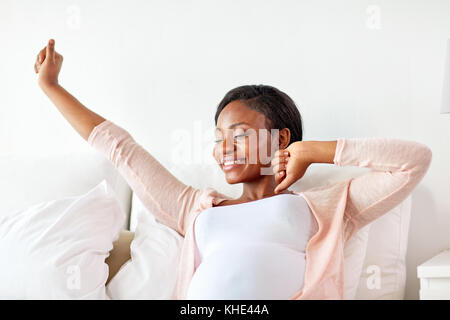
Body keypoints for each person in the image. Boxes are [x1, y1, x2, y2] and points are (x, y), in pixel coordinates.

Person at [34, 39, 432, 300]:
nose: (223, 149)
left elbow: (413, 162)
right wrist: (52, 87)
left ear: (279, 139)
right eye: (218, 138)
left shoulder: (327, 208)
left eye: (238, 135)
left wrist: (314, 151)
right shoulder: (196, 207)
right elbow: (121, 149)